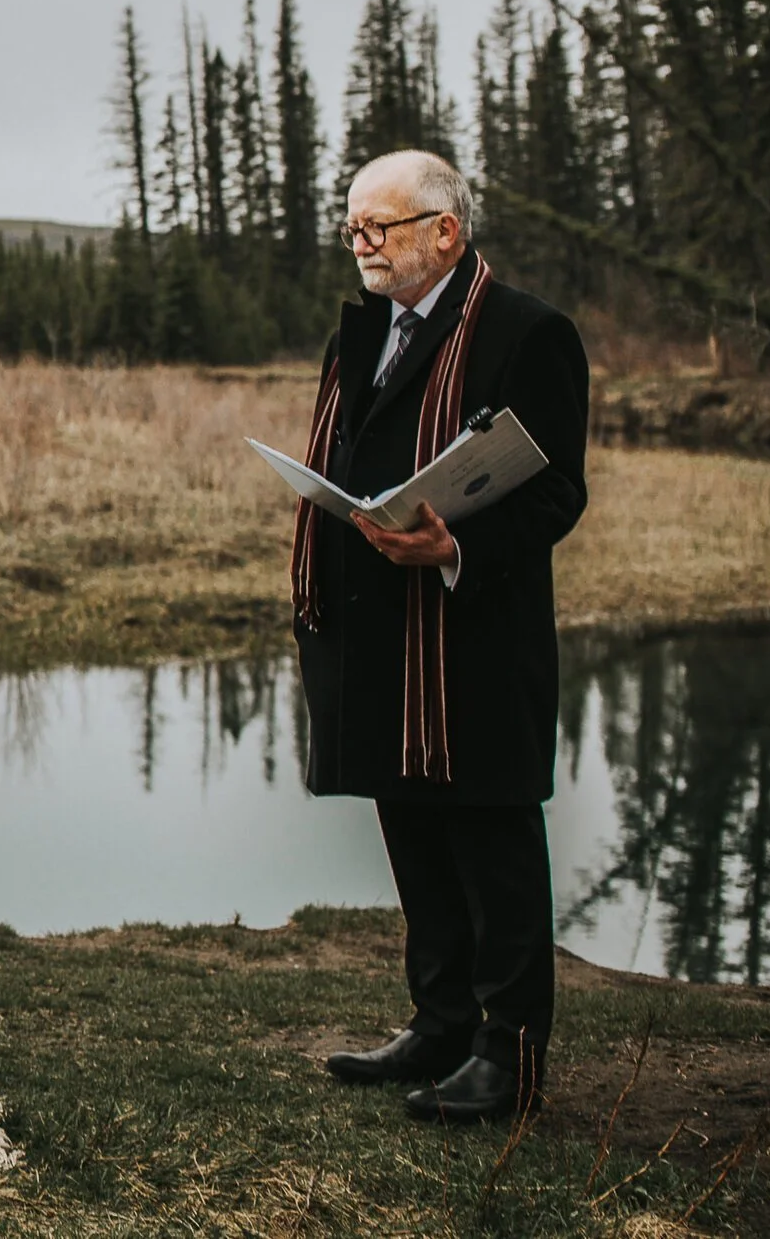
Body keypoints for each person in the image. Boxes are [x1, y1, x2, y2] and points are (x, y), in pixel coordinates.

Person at [298, 150, 589, 1124]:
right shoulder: (363, 330)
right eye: (352, 228)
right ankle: (438, 1020)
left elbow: (555, 492)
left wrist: (454, 541)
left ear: (444, 231)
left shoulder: (529, 332)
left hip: (475, 632)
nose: (361, 244)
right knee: (411, 823)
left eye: (378, 226)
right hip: (383, 633)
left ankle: (508, 1054)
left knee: (490, 833)